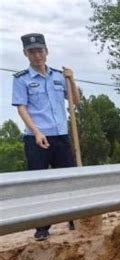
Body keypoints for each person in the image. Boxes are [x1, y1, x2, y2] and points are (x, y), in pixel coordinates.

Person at [12, 33, 81, 241]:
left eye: (40, 50)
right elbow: (21, 108)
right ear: (26, 54)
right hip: (36, 139)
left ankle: (72, 217)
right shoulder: (21, 79)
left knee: (68, 180)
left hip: (60, 137)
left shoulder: (59, 76)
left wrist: (72, 79)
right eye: (32, 51)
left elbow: (75, 101)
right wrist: (36, 132)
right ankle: (42, 226)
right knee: (39, 184)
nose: (37, 55)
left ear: (47, 51)